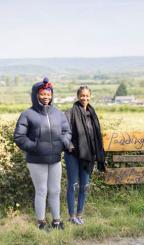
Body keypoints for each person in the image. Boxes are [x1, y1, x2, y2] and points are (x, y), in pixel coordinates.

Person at [14, 77, 72, 230]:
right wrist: (35, 146)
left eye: (48, 94)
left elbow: (67, 131)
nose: (46, 96)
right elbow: (19, 137)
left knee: (55, 190)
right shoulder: (28, 114)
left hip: (55, 159)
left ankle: (57, 221)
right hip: (36, 160)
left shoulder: (58, 114)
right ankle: (41, 222)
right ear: (36, 95)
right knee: (41, 190)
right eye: (43, 94)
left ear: (51, 95)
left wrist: (63, 142)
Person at [64, 86, 106, 225]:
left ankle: (79, 214)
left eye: (87, 96)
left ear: (90, 96)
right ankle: (71, 216)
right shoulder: (70, 113)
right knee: (73, 185)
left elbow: (95, 136)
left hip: (88, 156)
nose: (85, 98)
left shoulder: (92, 114)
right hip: (73, 155)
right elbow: (63, 133)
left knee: (84, 186)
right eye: (82, 95)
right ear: (77, 96)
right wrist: (70, 146)